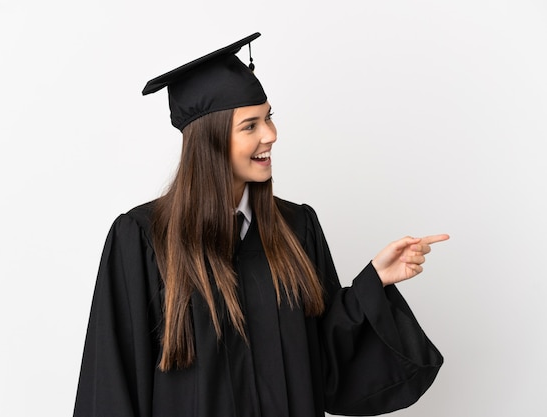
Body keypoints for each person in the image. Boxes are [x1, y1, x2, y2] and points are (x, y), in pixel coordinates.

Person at [73, 32, 449, 417]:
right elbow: (112, 382)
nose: (271, 134)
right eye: (250, 125)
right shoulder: (144, 239)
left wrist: (374, 282)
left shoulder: (296, 227)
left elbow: (322, 362)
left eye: (268, 117)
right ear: (210, 141)